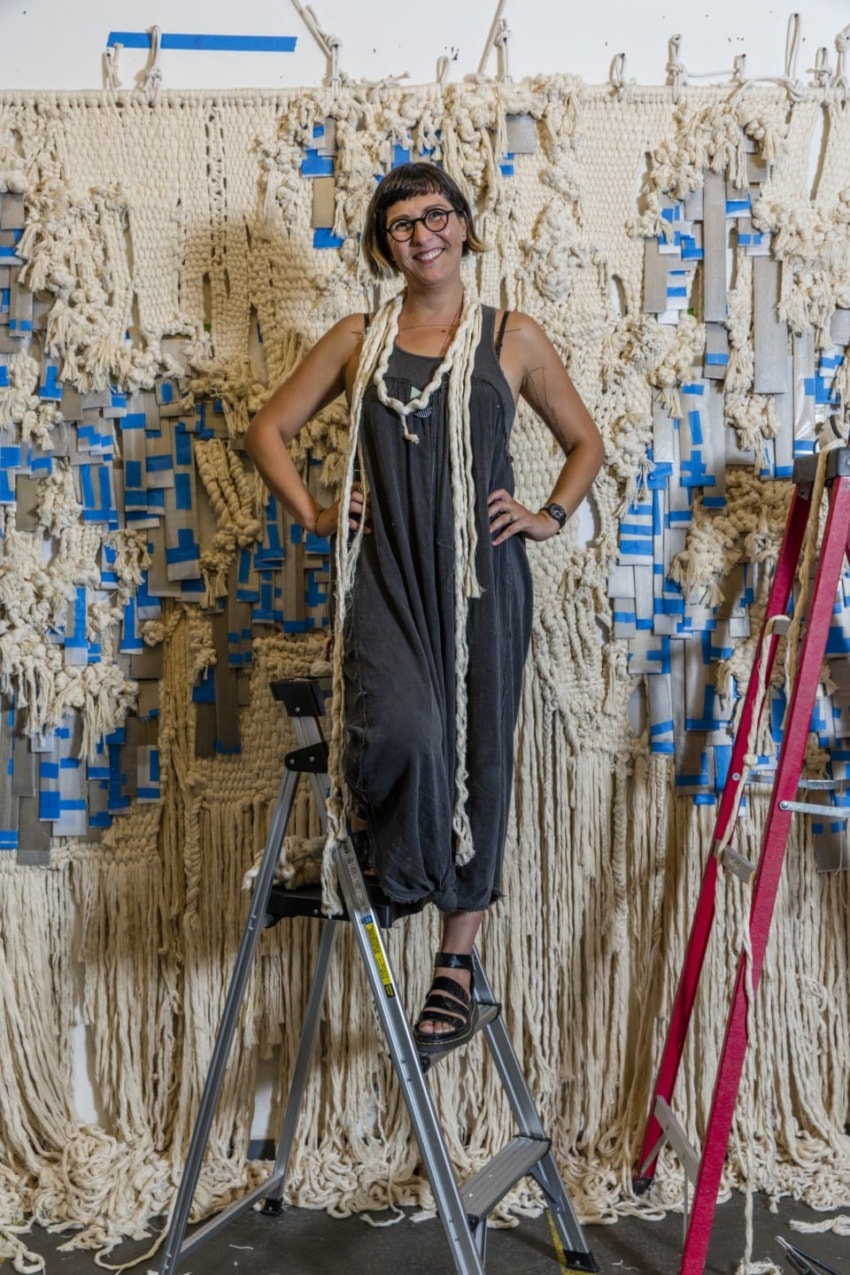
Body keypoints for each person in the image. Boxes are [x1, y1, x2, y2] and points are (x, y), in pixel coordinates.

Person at [245, 162, 603, 1052]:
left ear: (464, 224)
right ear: (385, 243)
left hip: (484, 578)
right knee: (401, 728)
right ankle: (389, 862)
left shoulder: (510, 336)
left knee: (479, 752)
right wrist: (321, 513)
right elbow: (266, 429)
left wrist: (547, 514)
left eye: (435, 215)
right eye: (401, 224)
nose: (422, 234)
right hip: (387, 573)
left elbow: (584, 441)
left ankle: (454, 962)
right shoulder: (359, 338)